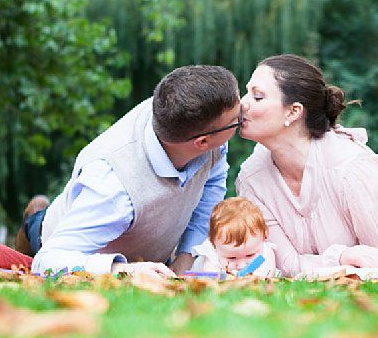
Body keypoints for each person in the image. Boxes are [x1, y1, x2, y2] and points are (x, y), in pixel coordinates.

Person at [15, 65, 242, 278]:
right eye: (237, 119)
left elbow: (210, 188)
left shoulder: (203, 126)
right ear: (202, 142)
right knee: (40, 231)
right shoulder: (113, 188)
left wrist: (185, 256)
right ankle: (34, 219)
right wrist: (124, 271)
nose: (245, 114)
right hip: (67, 238)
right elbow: (47, 260)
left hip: (147, 244)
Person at [235, 54, 378, 277]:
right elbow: (288, 266)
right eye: (246, 93)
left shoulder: (351, 169)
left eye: (257, 97)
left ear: (293, 111)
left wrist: (327, 265)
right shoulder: (251, 178)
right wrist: (345, 257)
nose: (242, 104)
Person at [190, 197, 278, 276]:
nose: (241, 265)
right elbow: (212, 278)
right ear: (214, 244)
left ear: (264, 237)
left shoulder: (265, 252)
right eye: (231, 258)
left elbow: (266, 275)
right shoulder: (211, 255)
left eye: (250, 255)